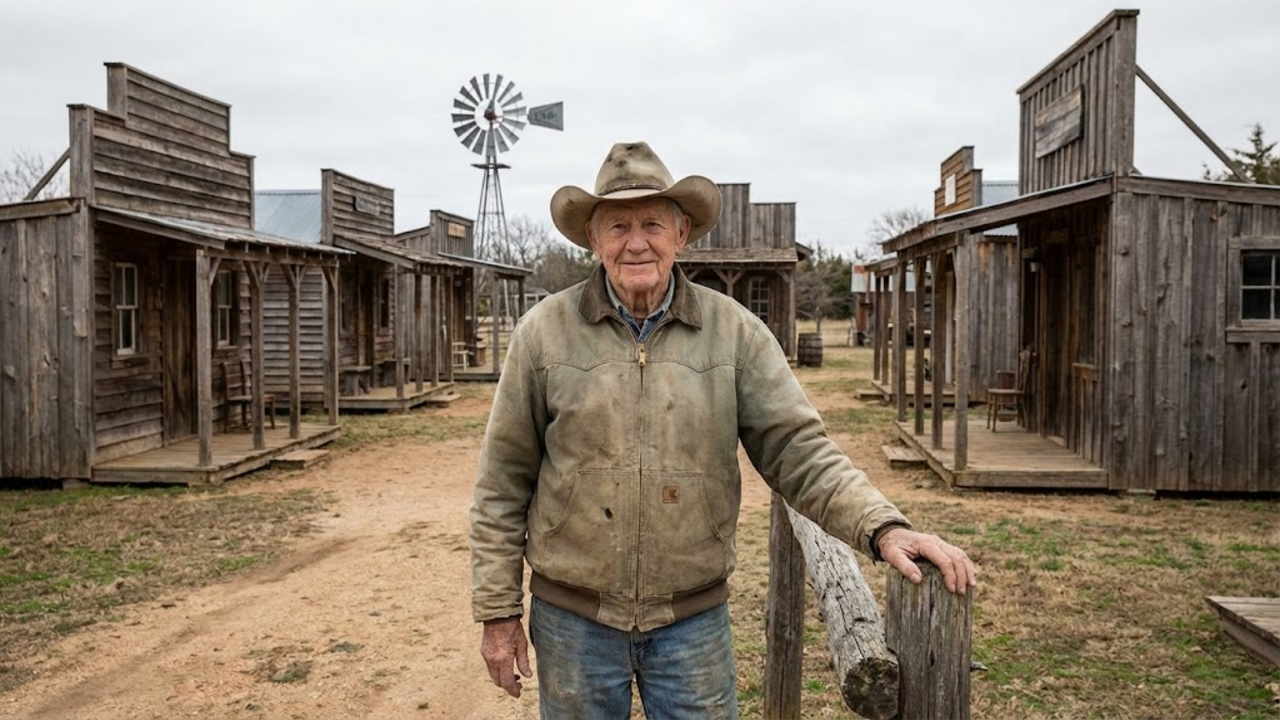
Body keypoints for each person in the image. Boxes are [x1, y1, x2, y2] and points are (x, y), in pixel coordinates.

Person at [469, 142, 976, 718]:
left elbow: (799, 450)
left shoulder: (736, 333)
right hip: (572, 621)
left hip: (692, 624)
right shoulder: (542, 334)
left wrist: (882, 526)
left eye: (652, 224)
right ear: (593, 238)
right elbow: (502, 482)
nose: (636, 242)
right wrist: (498, 611)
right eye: (618, 226)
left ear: (681, 234)